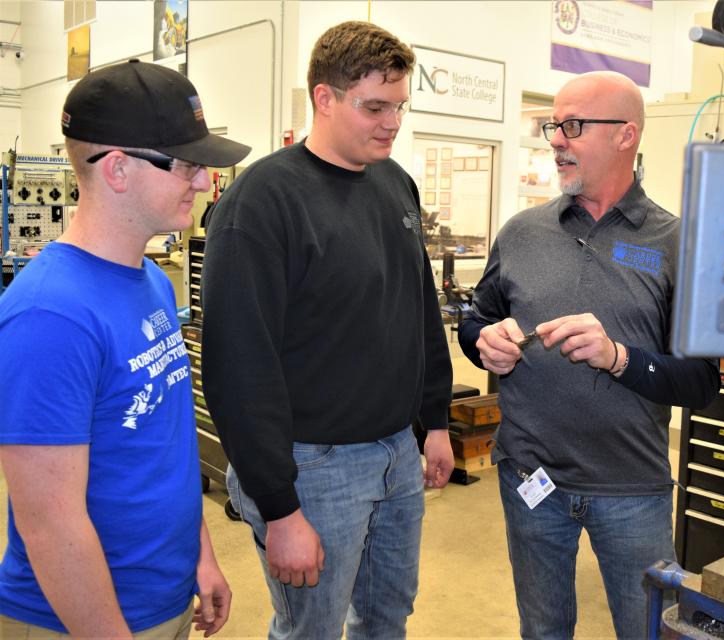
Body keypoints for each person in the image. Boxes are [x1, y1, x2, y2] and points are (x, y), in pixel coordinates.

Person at [200, 21, 454, 640]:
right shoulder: (263, 201)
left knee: (388, 618)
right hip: (312, 468)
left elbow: (417, 308)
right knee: (310, 630)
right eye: (374, 107)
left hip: (397, 451)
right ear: (324, 98)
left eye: (399, 107)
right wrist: (280, 508)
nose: (392, 123)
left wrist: (437, 421)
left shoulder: (395, 184)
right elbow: (238, 368)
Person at [458, 71, 721, 639]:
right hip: (531, 479)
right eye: (554, 125)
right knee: (543, 630)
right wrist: (484, 343)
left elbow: (703, 381)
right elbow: (475, 318)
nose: (556, 139)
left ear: (625, 136)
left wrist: (620, 358)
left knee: (647, 629)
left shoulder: (678, 243)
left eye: (572, 126)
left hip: (632, 489)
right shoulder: (522, 233)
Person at [0, 60, 250, 638]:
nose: (203, 182)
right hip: (82, 620)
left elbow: (160, 444)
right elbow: (50, 524)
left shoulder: (152, 282)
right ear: (117, 169)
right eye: (186, 165)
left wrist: (200, 555)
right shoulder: (49, 317)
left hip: (161, 600)